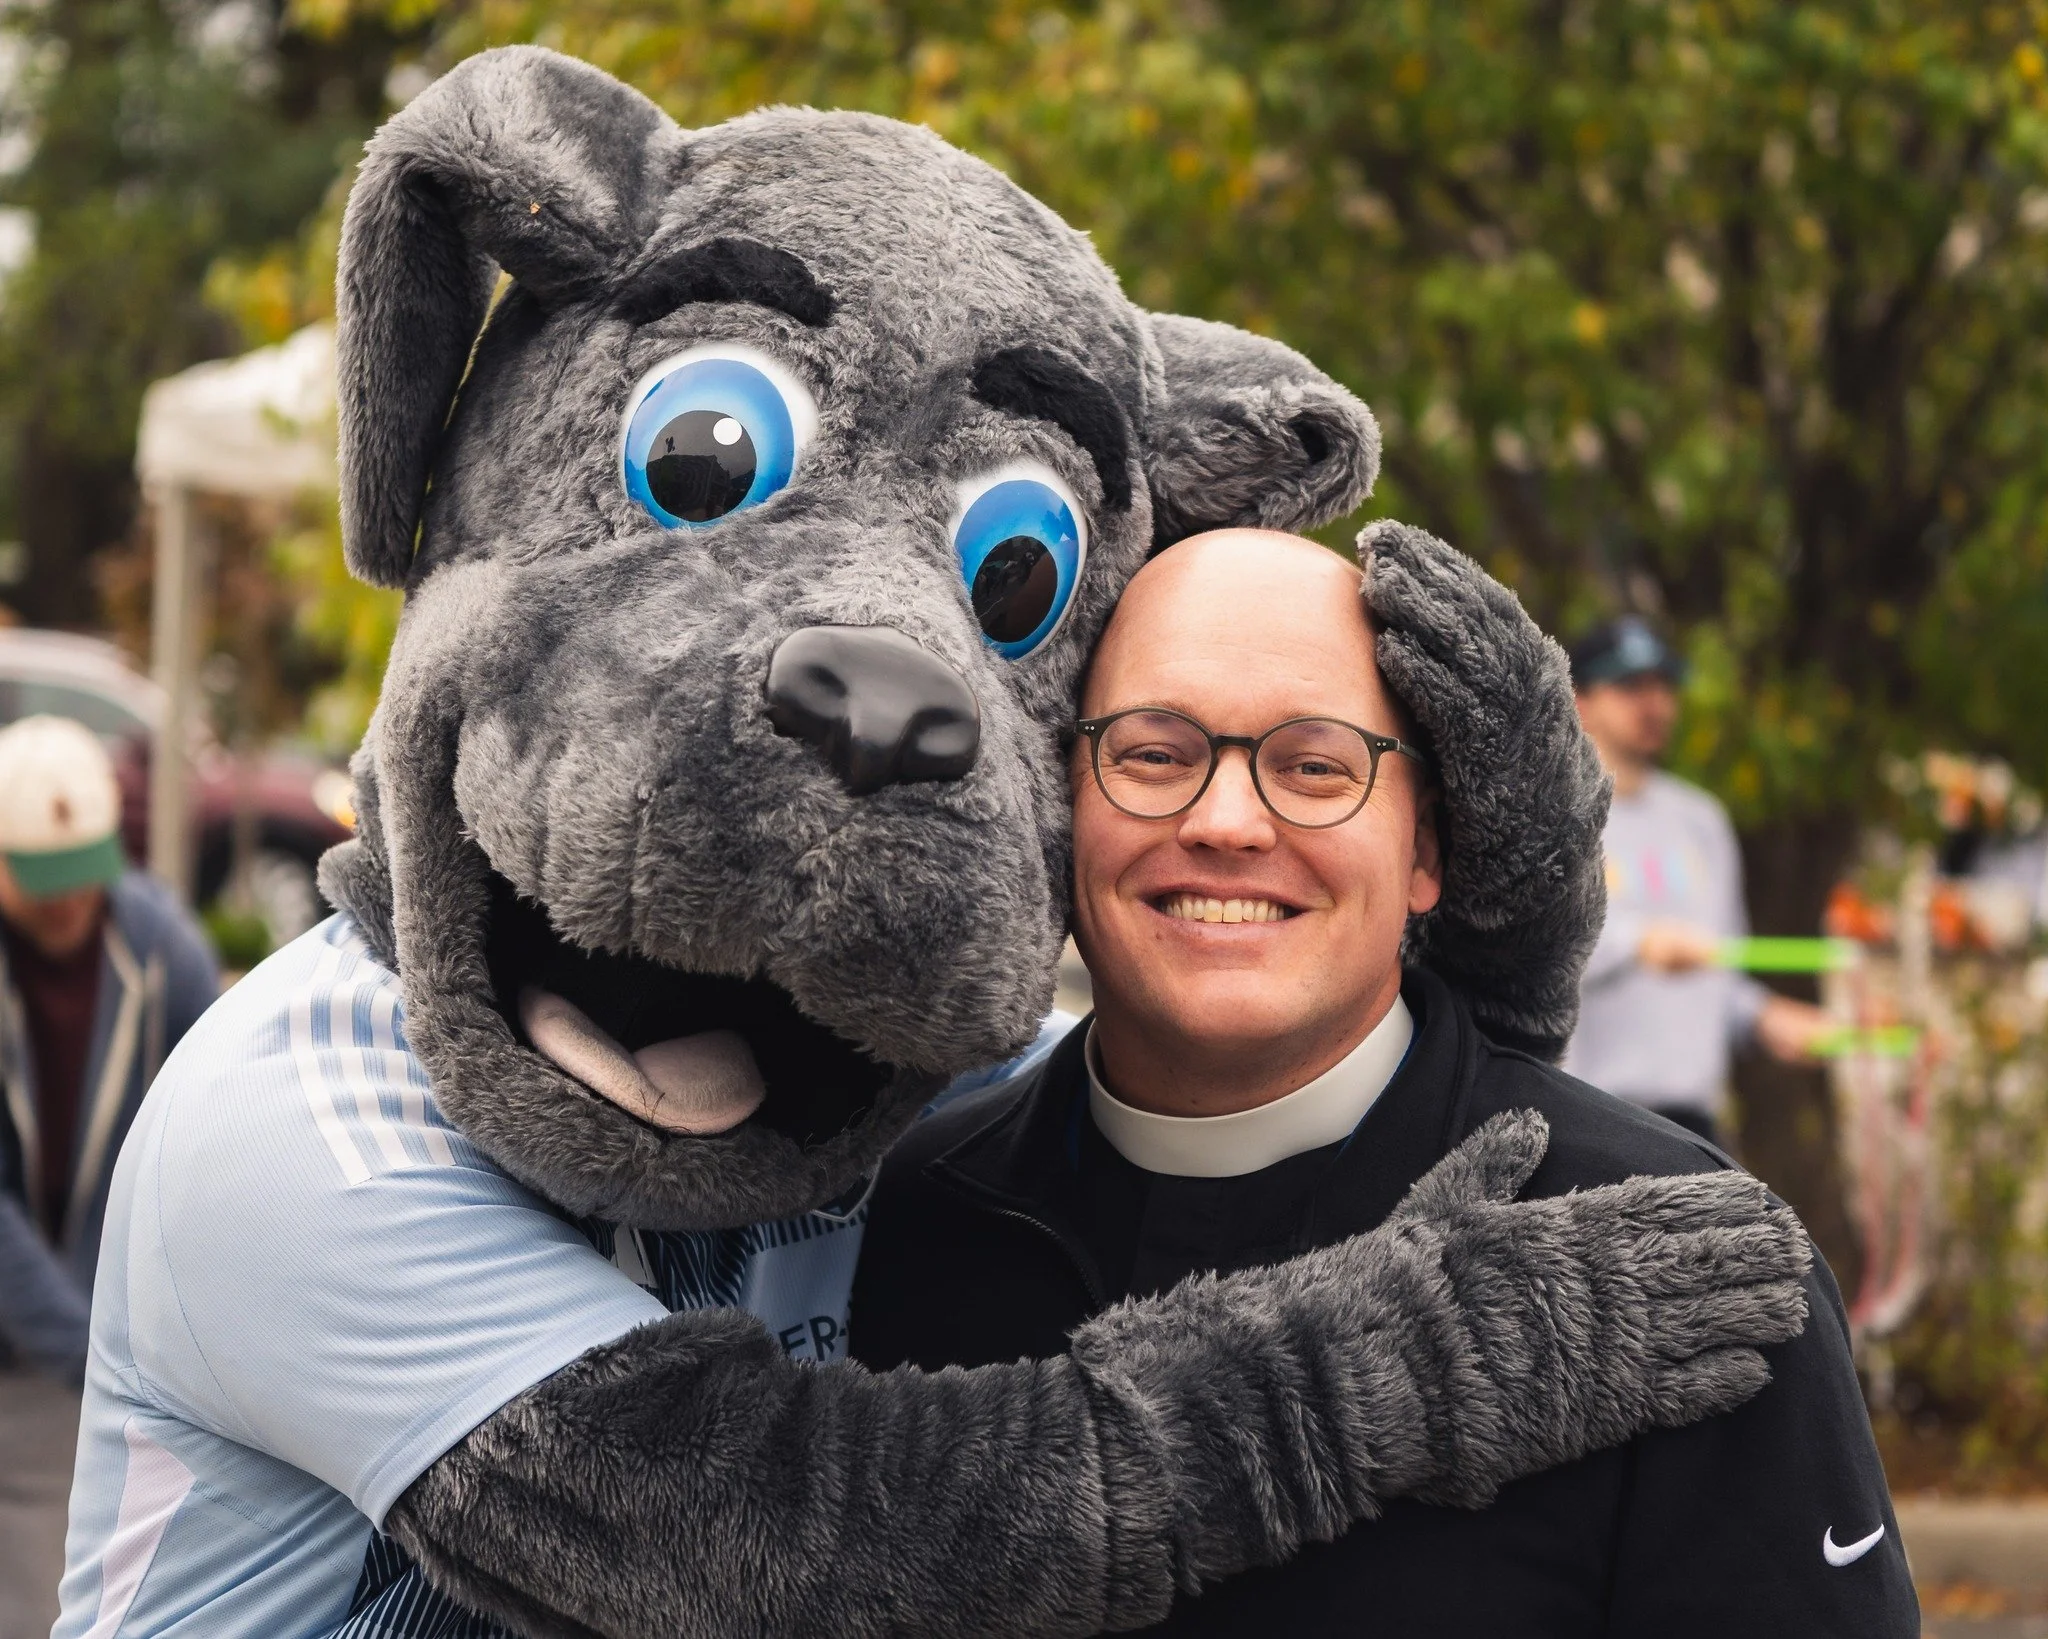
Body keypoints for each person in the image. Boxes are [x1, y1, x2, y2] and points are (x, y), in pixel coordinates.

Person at [853, 529, 1918, 1637]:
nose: (1223, 821)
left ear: (1423, 853)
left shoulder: (1679, 1264)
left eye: (1313, 765)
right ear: (1061, 802)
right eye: (1153, 753)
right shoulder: (908, 1228)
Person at [0, 715, 217, 1382]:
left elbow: (216, 1139)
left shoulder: (167, 957)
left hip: (122, 1335)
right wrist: (89, 1354)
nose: (65, 896)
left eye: (79, 867)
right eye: (41, 873)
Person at [1563, 617, 1829, 1148]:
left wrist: (1766, 1017)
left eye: (1663, 685)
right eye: (1629, 686)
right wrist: (1640, 944)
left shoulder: (1703, 822)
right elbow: (1536, 950)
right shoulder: (1553, 817)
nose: (1654, 703)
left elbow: (1720, 974)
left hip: (1696, 1127)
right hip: (1586, 1120)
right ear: (1579, 701)